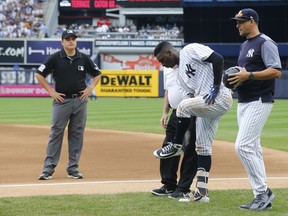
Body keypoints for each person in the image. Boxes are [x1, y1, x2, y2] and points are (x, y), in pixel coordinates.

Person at [152, 41, 233, 202]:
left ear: (169, 53)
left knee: (182, 107)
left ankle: (175, 146)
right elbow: (190, 97)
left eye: (162, 60)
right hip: (205, 106)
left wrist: (215, 86)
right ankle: (201, 192)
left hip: (218, 97)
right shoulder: (180, 76)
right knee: (202, 147)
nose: (163, 64)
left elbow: (218, 59)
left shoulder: (190, 49)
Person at [229, 8, 281, 210]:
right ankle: (260, 197)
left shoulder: (265, 42)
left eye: (240, 21)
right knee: (254, 149)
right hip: (244, 101)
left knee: (242, 146)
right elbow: (244, 73)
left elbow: (276, 71)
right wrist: (236, 81)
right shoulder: (244, 46)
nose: (237, 25)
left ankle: (262, 192)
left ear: (252, 21)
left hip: (259, 100)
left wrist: (248, 76)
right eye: (236, 21)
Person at [35, 29, 101, 180]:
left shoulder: (83, 58)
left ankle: (73, 168)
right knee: (56, 133)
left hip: (80, 100)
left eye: (73, 38)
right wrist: (51, 92)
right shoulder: (55, 58)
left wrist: (90, 88)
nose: (71, 41)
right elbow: (39, 74)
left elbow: (97, 74)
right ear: (62, 42)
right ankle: (48, 168)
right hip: (61, 101)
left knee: (76, 134)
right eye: (68, 39)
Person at [151, 67, 198, 201]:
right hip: (175, 112)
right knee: (168, 147)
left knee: (189, 149)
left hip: (191, 111)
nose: (162, 63)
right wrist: (165, 112)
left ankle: (183, 188)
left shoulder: (187, 63)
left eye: (163, 59)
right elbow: (168, 90)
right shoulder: (166, 68)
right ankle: (169, 185)